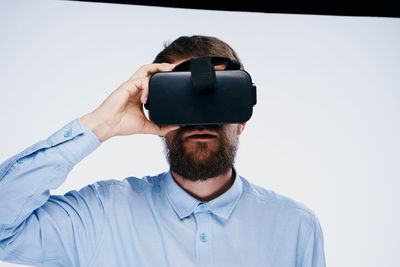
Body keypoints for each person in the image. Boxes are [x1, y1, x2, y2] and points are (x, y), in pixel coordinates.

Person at [0, 35, 326, 267]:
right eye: (183, 99)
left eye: (217, 98)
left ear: (242, 117)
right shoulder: (100, 215)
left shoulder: (296, 227)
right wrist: (101, 124)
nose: (201, 119)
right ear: (154, 109)